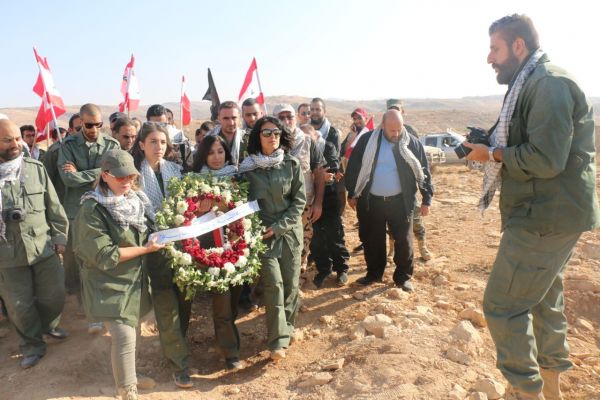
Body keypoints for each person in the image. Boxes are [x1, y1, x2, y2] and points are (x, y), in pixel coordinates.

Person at [464, 14, 599, 400]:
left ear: (518, 46)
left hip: (545, 215)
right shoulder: (532, 82)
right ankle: (550, 387)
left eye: (495, 48)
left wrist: (493, 155)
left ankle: (527, 392)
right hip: (548, 213)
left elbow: (546, 159)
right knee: (542, 298)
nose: (489, 57)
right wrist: (488, 144)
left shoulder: (548, 85)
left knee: (502, 305)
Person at [73, 149, 164, 400]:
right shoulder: (92, 209)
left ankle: (129, 377)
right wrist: (145, 249)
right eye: (120, 177)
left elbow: (151, 229)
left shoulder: (136, 200)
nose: (126, 182)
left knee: (132, 332)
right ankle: (127, 391)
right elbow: (104, 255)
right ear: (105, 175)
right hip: (107, 283)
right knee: (123, 334)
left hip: (133, 280)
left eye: (130, 177)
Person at [0, 119, 69, 369]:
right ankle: (32, 345)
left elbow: (54, 207)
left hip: (43, 247)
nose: (15, 144)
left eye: (17, 138)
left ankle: (49, 326)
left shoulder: (35, 168)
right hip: (6, 256)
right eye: (8, 140)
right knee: (19, 306)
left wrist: (60, 238)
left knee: (55, 295)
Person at [130, 122, 193, 388]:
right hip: (155, 248)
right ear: (142, 144)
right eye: (153, 142)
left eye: (163, 143)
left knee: (185, 299)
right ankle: (179, 363)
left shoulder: (177, 170)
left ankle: (176, 341)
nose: (159, 147)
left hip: (183, 244)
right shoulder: (133, 177)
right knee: (166, 304)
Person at [239, 116, 305, 361]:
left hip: (289, 234)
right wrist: (258, 228)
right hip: (263, 236)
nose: (273, 136)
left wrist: (280, 226)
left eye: (276, 132)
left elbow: (299, 202)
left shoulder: (291, 164)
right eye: (267, 132)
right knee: (273, 285)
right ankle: (277, 341)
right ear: (258, 136)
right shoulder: (247, 169)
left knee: (290, 285)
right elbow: (242, 204)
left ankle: (287, 329)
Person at [345, 110, 433, 292]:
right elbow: (353, 167)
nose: (396, 133)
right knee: (372, 240)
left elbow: (423, 171)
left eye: (398, 129)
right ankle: (374, 274)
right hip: (372, 201)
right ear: (382, 126)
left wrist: (426, 198)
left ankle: (403, 277)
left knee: (404, 241)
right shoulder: (367, 141)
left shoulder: (411, 143)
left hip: (401, 201)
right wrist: (352, 193)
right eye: (391, 130)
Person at [58, 103, 120, 334]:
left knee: (107, 259)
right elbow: (68, 180)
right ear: (80, 123)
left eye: (98, 125)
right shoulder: (68, 146)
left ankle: (111, 307)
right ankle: (92, 313)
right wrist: (101, 173)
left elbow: (114, 174)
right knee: (85, 263)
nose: (94, 129)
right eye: (89, 125)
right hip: (78, 211)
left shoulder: (111, 144)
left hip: (107, 208)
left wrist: (83, 174)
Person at [192, 134, 245, 370]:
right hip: (212, 249)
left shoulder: (238, 176)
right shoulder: (193, 181)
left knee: (234, 297)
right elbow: (186, 218)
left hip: (238, 246)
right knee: (222, 299)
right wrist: (200, 209)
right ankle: (230, 351)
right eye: (211, 152)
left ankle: (226, 337)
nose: (216, 157)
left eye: (220, 151)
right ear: (203, 155)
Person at [274, 104, 325, 273]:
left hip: (304, 205)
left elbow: (318, 173)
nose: (286, 121)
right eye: (281, 118)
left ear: (296, 117)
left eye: (289, 116)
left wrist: (318, 203)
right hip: (278, 205)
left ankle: (298, 282)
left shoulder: (308, 141)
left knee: (302, 244)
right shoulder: (269, 143)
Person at [386, 99, 433, 261]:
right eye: (391, 110)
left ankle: (422, 247)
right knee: (391, 223)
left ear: (403, 112)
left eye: (398, 109)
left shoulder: (411, 132)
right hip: (389, 189)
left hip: (407, 188)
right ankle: (391, 249)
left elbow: (421, 165)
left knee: (416, 220)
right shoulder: (382, 134)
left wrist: (427, 197)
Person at [146, 104, 193, 171]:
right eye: (154, 124)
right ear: (148, 122)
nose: (158, 128)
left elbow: (188, 165)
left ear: (167, 121)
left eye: (162, 124)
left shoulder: (179, 138)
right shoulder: (143, 140)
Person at [209, 101, 248, 166]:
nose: (231, 123)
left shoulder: (249, 140)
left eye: (234, 118)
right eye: (226, 118)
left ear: (239, 118)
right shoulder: (209, 140)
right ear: (219, 119)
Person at [43, 127, 68, 203]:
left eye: (64, 138)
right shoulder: (52, 152)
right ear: (53, 139)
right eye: (60, 138)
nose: (62, 141)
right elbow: (48, 177)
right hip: (58, 196)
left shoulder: (69, 150)